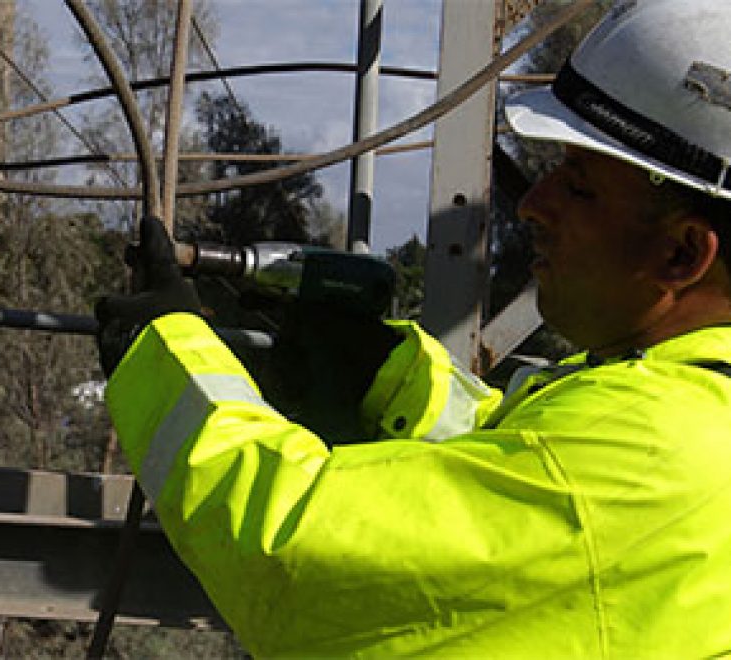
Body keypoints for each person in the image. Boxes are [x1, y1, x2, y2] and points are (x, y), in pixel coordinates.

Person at [94, 0, 731, 656]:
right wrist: (388, 382)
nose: (534, 205)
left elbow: (294, 556)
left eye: (579, 186)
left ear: (682, 253)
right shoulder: (690, 409)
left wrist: (164, 353)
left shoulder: (650, 455)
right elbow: (519, 469)